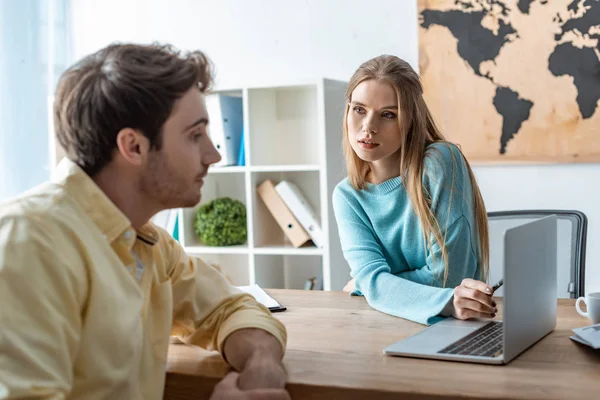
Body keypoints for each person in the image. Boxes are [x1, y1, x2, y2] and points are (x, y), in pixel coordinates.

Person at [0, 43, 290, 400]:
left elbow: (229, 307)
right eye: (195, 135)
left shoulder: (145, 241)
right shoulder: (28, 242)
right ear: (134, 147)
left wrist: (261, 364)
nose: (213, 154)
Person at [332, 54, 496, 326]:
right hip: (383, 323)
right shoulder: (347, 196)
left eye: (388, 115)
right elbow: (374, 281)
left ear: (409, 121)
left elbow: (448, 278)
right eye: (359, 109)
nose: (368, 127)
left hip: (452, 326)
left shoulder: (440, 161)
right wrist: (373, 284)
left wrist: (370, 286)